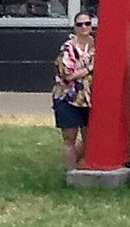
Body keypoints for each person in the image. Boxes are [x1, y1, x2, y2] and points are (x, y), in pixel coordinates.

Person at [52, 11, 95, 171]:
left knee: (90, 139)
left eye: (87, 23)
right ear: (75, 28)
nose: (84, 27)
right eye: (80, 24)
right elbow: (67, 75)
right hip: (68, 97)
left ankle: (79, 167)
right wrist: (90, 68)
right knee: (69, 138)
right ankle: (71, 174)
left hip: (89, 98)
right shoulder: (68, 47)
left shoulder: (97, 44)